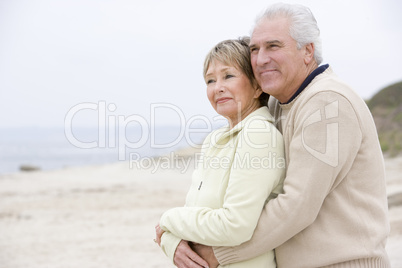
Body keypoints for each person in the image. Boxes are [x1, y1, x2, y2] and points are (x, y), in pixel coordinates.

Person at [172, 3, 391, 268]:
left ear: (307, 51)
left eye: (273, 46)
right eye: (255, 49)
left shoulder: (327, 102)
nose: (260, 59)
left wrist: (218, 254)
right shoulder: (279, 105)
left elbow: (295, 208)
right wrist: (175, 239)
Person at [154, 38, 286, 267]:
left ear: (257, 86)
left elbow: (236, 225)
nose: (218, 87)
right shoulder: (216, 140)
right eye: (210, 80)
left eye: (229, 76)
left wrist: (167, 220)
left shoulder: (259, 135)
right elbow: (195, 212)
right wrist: (171, 241)